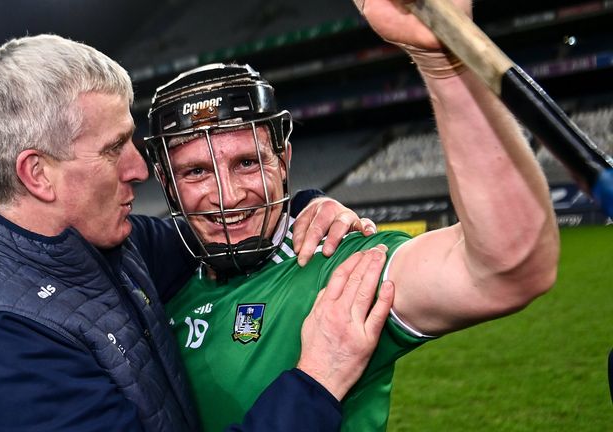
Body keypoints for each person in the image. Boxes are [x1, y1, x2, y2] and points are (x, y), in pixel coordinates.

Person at [0, 33, 392, 432]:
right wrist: (316, 382)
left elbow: (224, 227)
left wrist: (305, 207)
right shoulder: (1, 348)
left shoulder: (105, 243)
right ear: (38, 174)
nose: (139, 169)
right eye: (114, 149)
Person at [144, 1, 560, 430]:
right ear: (167, 185)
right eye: (196, 171)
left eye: (247, 162)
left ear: (283, 161)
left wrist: (444, 61)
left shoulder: (337, 267)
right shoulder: (156, 283)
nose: (228, 195)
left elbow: (507, 268)